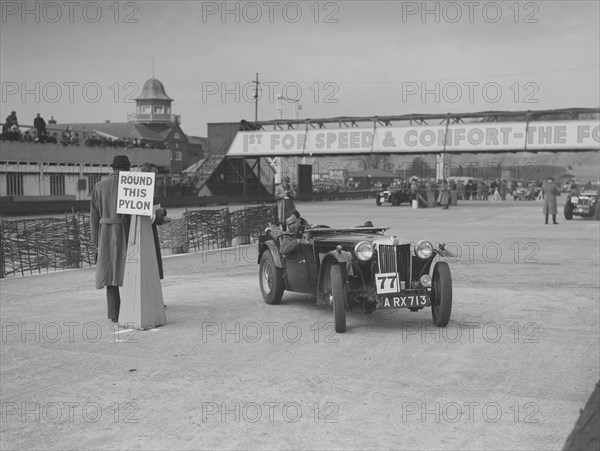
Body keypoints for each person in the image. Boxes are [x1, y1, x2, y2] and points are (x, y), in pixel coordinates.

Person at [90, 155, 132, 322]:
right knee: (130, 272)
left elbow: (93, 217)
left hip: (106, 234)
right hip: (127, 232)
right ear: (128, 168)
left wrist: (95, 241)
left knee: (110, 275)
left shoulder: (99, 186)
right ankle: (131, 310)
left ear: (112, 168)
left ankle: (114, 314)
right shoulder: (132, 185)